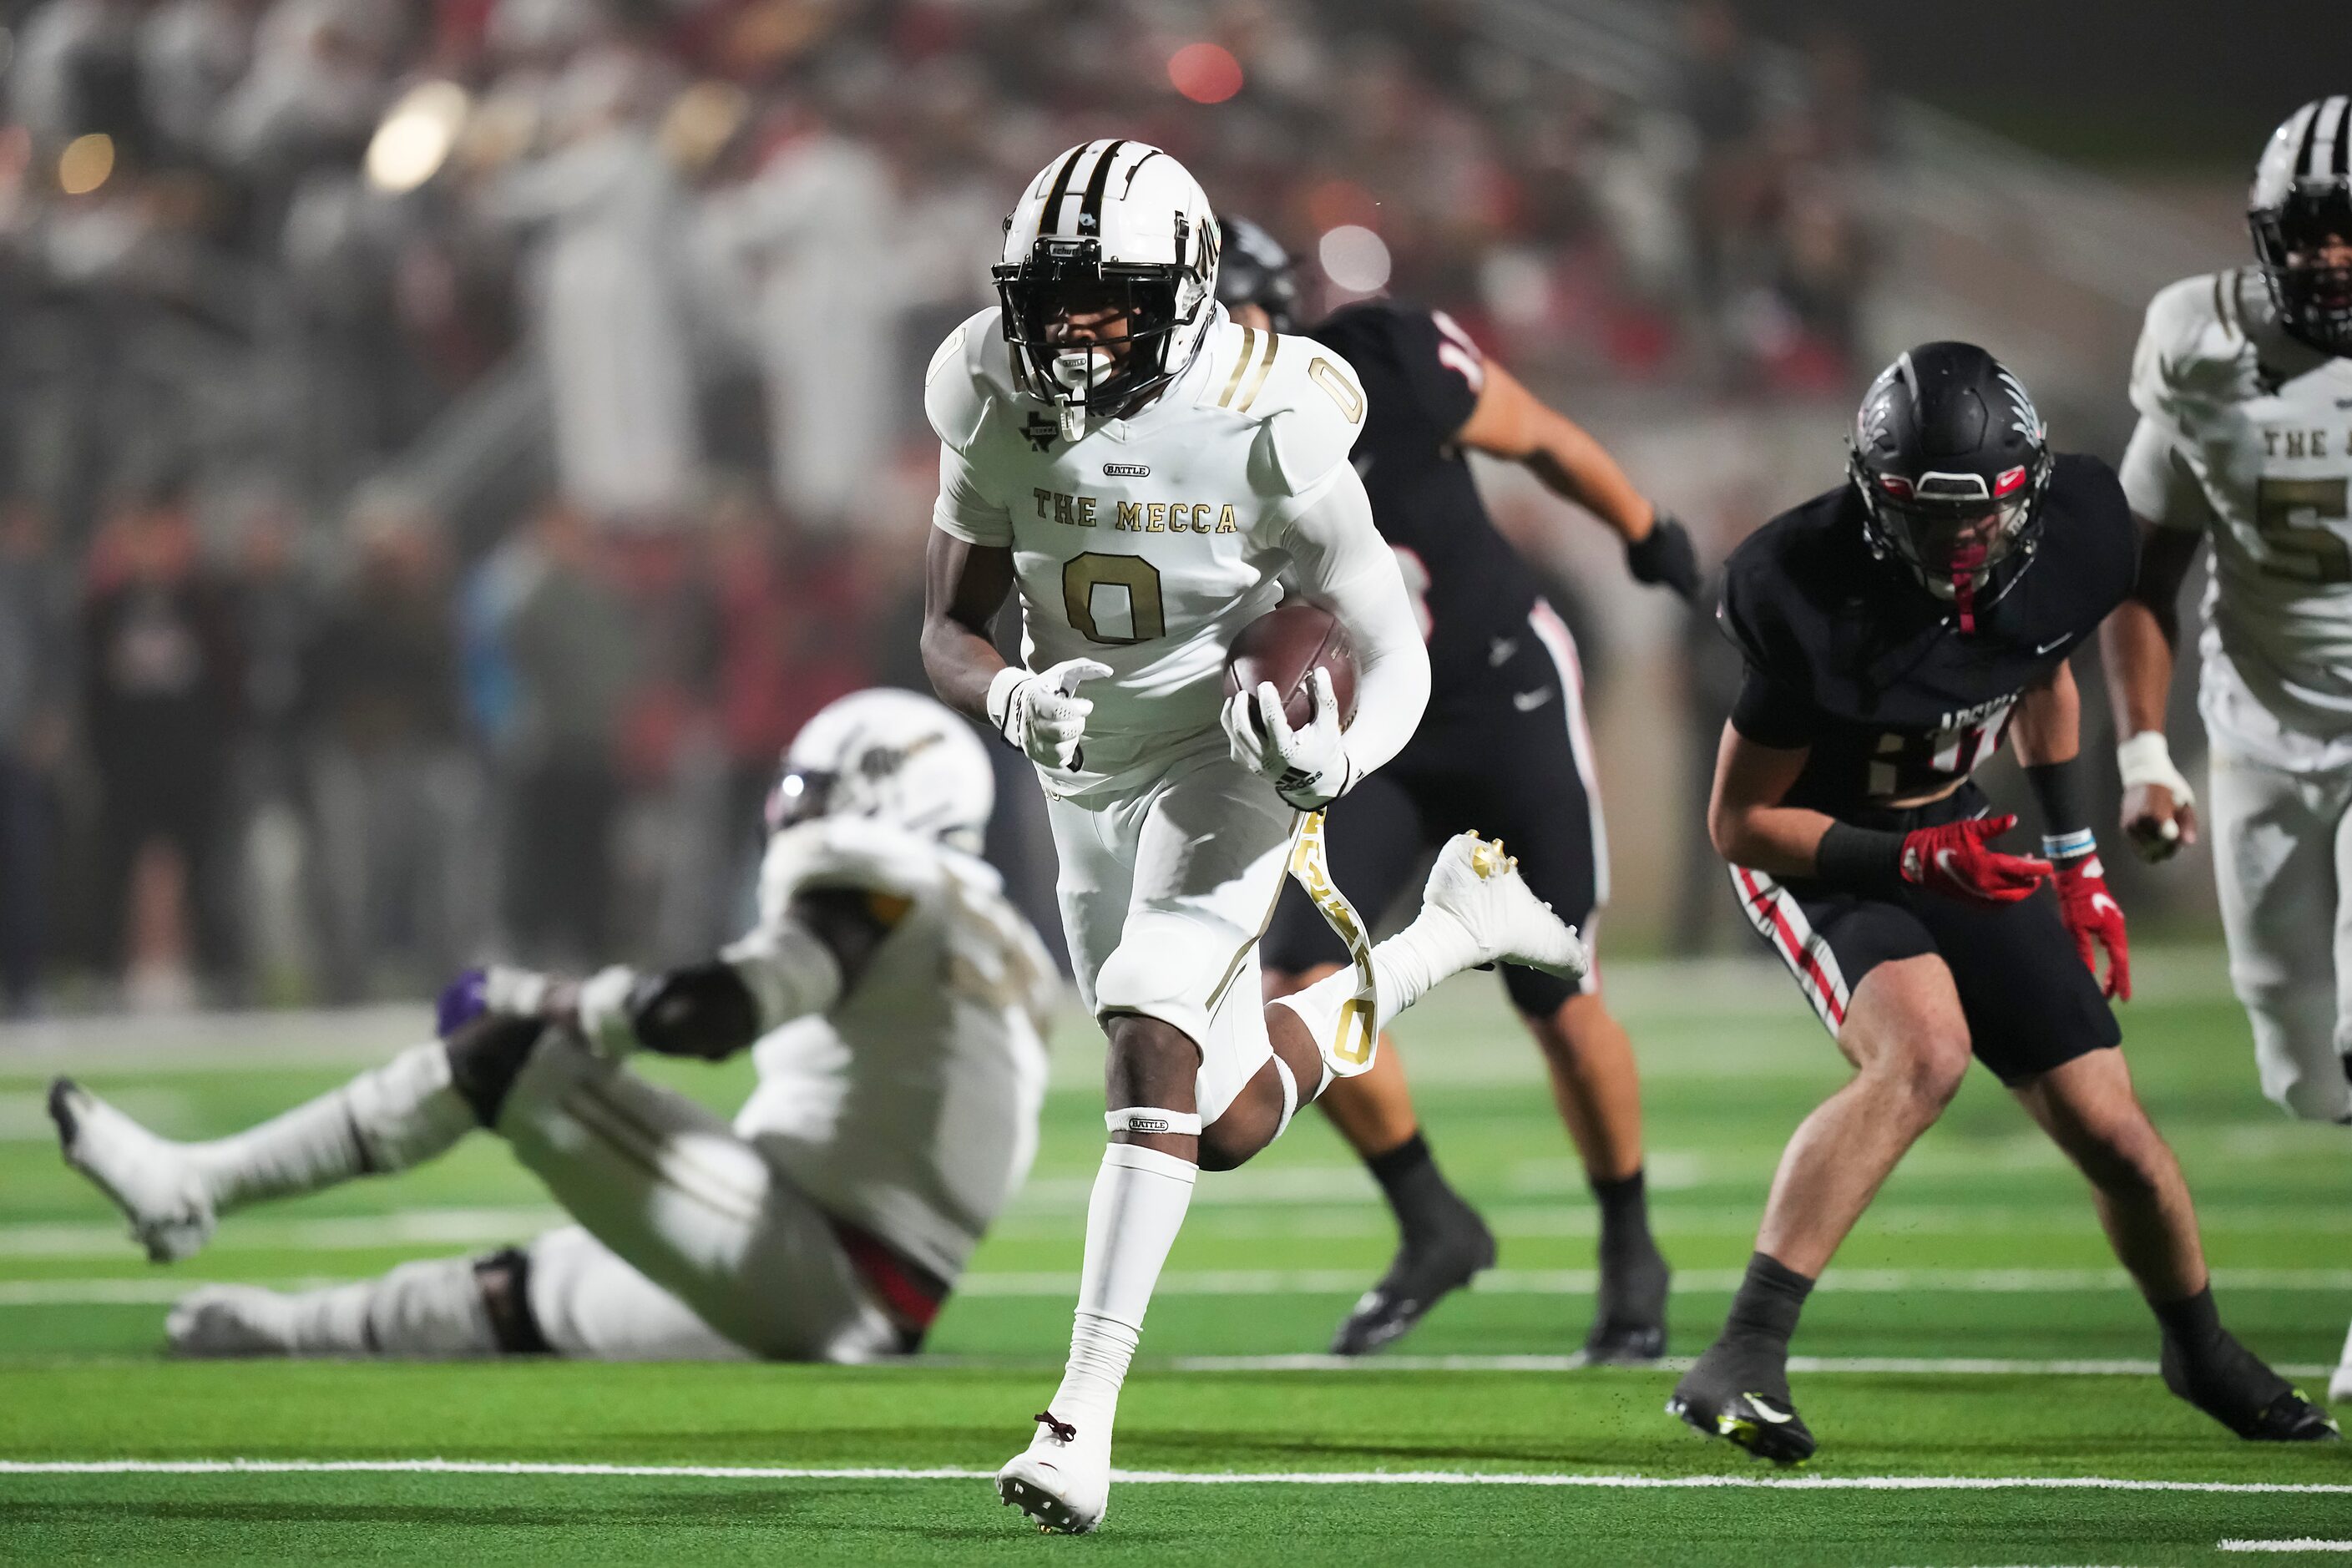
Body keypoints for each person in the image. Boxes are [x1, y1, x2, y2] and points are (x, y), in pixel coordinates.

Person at [918, 139, 1587, 1534]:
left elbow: (1391, 645)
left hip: (1225, 753)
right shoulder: (983, 383)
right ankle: (1443, 936)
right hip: (1080, 767)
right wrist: (1010, 693)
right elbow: (947, 627)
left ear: (1187, 291)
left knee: (1148, 1030)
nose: (1071, 329)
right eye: (1050, 298)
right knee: (1211, 1121)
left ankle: (1077, 1420)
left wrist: (1332, 756)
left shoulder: (1271, 413)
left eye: (1105, 299)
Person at [1677, 341, 2335, 1463]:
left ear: (2028, 487)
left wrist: (2077, 858)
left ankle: (2198, 1344)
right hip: (1825, 848)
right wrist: (1909, 867)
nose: (1963, 539)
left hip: (1956, 832)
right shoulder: (1807, 588)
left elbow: (2039, 669)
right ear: (1876, 499)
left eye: (1985, 513)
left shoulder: (2072, 535)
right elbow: (1739, 823)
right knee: (1922, 1053)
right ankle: (1743, 1349)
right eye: (1934, 519)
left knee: (2112, 1126)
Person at [50, 689, 1055, 1364]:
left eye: (815, 793)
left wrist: (555, 1004)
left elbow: (713, 1012)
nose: (795, 815)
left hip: (814, 1257)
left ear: (883, 793)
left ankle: (198, 1187)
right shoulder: (1002, 942)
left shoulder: (885, 885)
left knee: (511, 1059)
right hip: (873, 1297)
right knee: (529, 1294)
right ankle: (281, 1330)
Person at [1220, 218, 1693, 1361]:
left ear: (1272, 311)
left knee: (1555, 985)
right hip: (1367, 739)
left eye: (1211, 319)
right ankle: (1431, 1219)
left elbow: (1537, 436)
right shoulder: (1184, 457)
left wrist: (1642, 528)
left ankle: (1631, 1245)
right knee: (1295, 976)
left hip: (1497, 705)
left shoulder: (1384, 366)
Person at [2101, 96, 2352, 1407]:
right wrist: (2144, 746)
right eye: (2310, 233)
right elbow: (2147, 568)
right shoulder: (2196, 340)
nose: (2331, 260)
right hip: (2255, 720)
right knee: (2302, 1060)